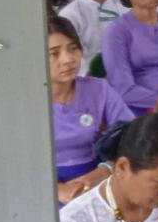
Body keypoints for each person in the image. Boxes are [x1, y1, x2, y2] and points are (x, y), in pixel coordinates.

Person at [48, 16, 133, 204]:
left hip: (95, 179)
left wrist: (105, 170)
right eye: (54, 53)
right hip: (41, 185)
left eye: (73, 48)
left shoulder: (98, 89)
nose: (68, 59)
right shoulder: (26, 101)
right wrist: (56, 190)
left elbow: (133, 135)